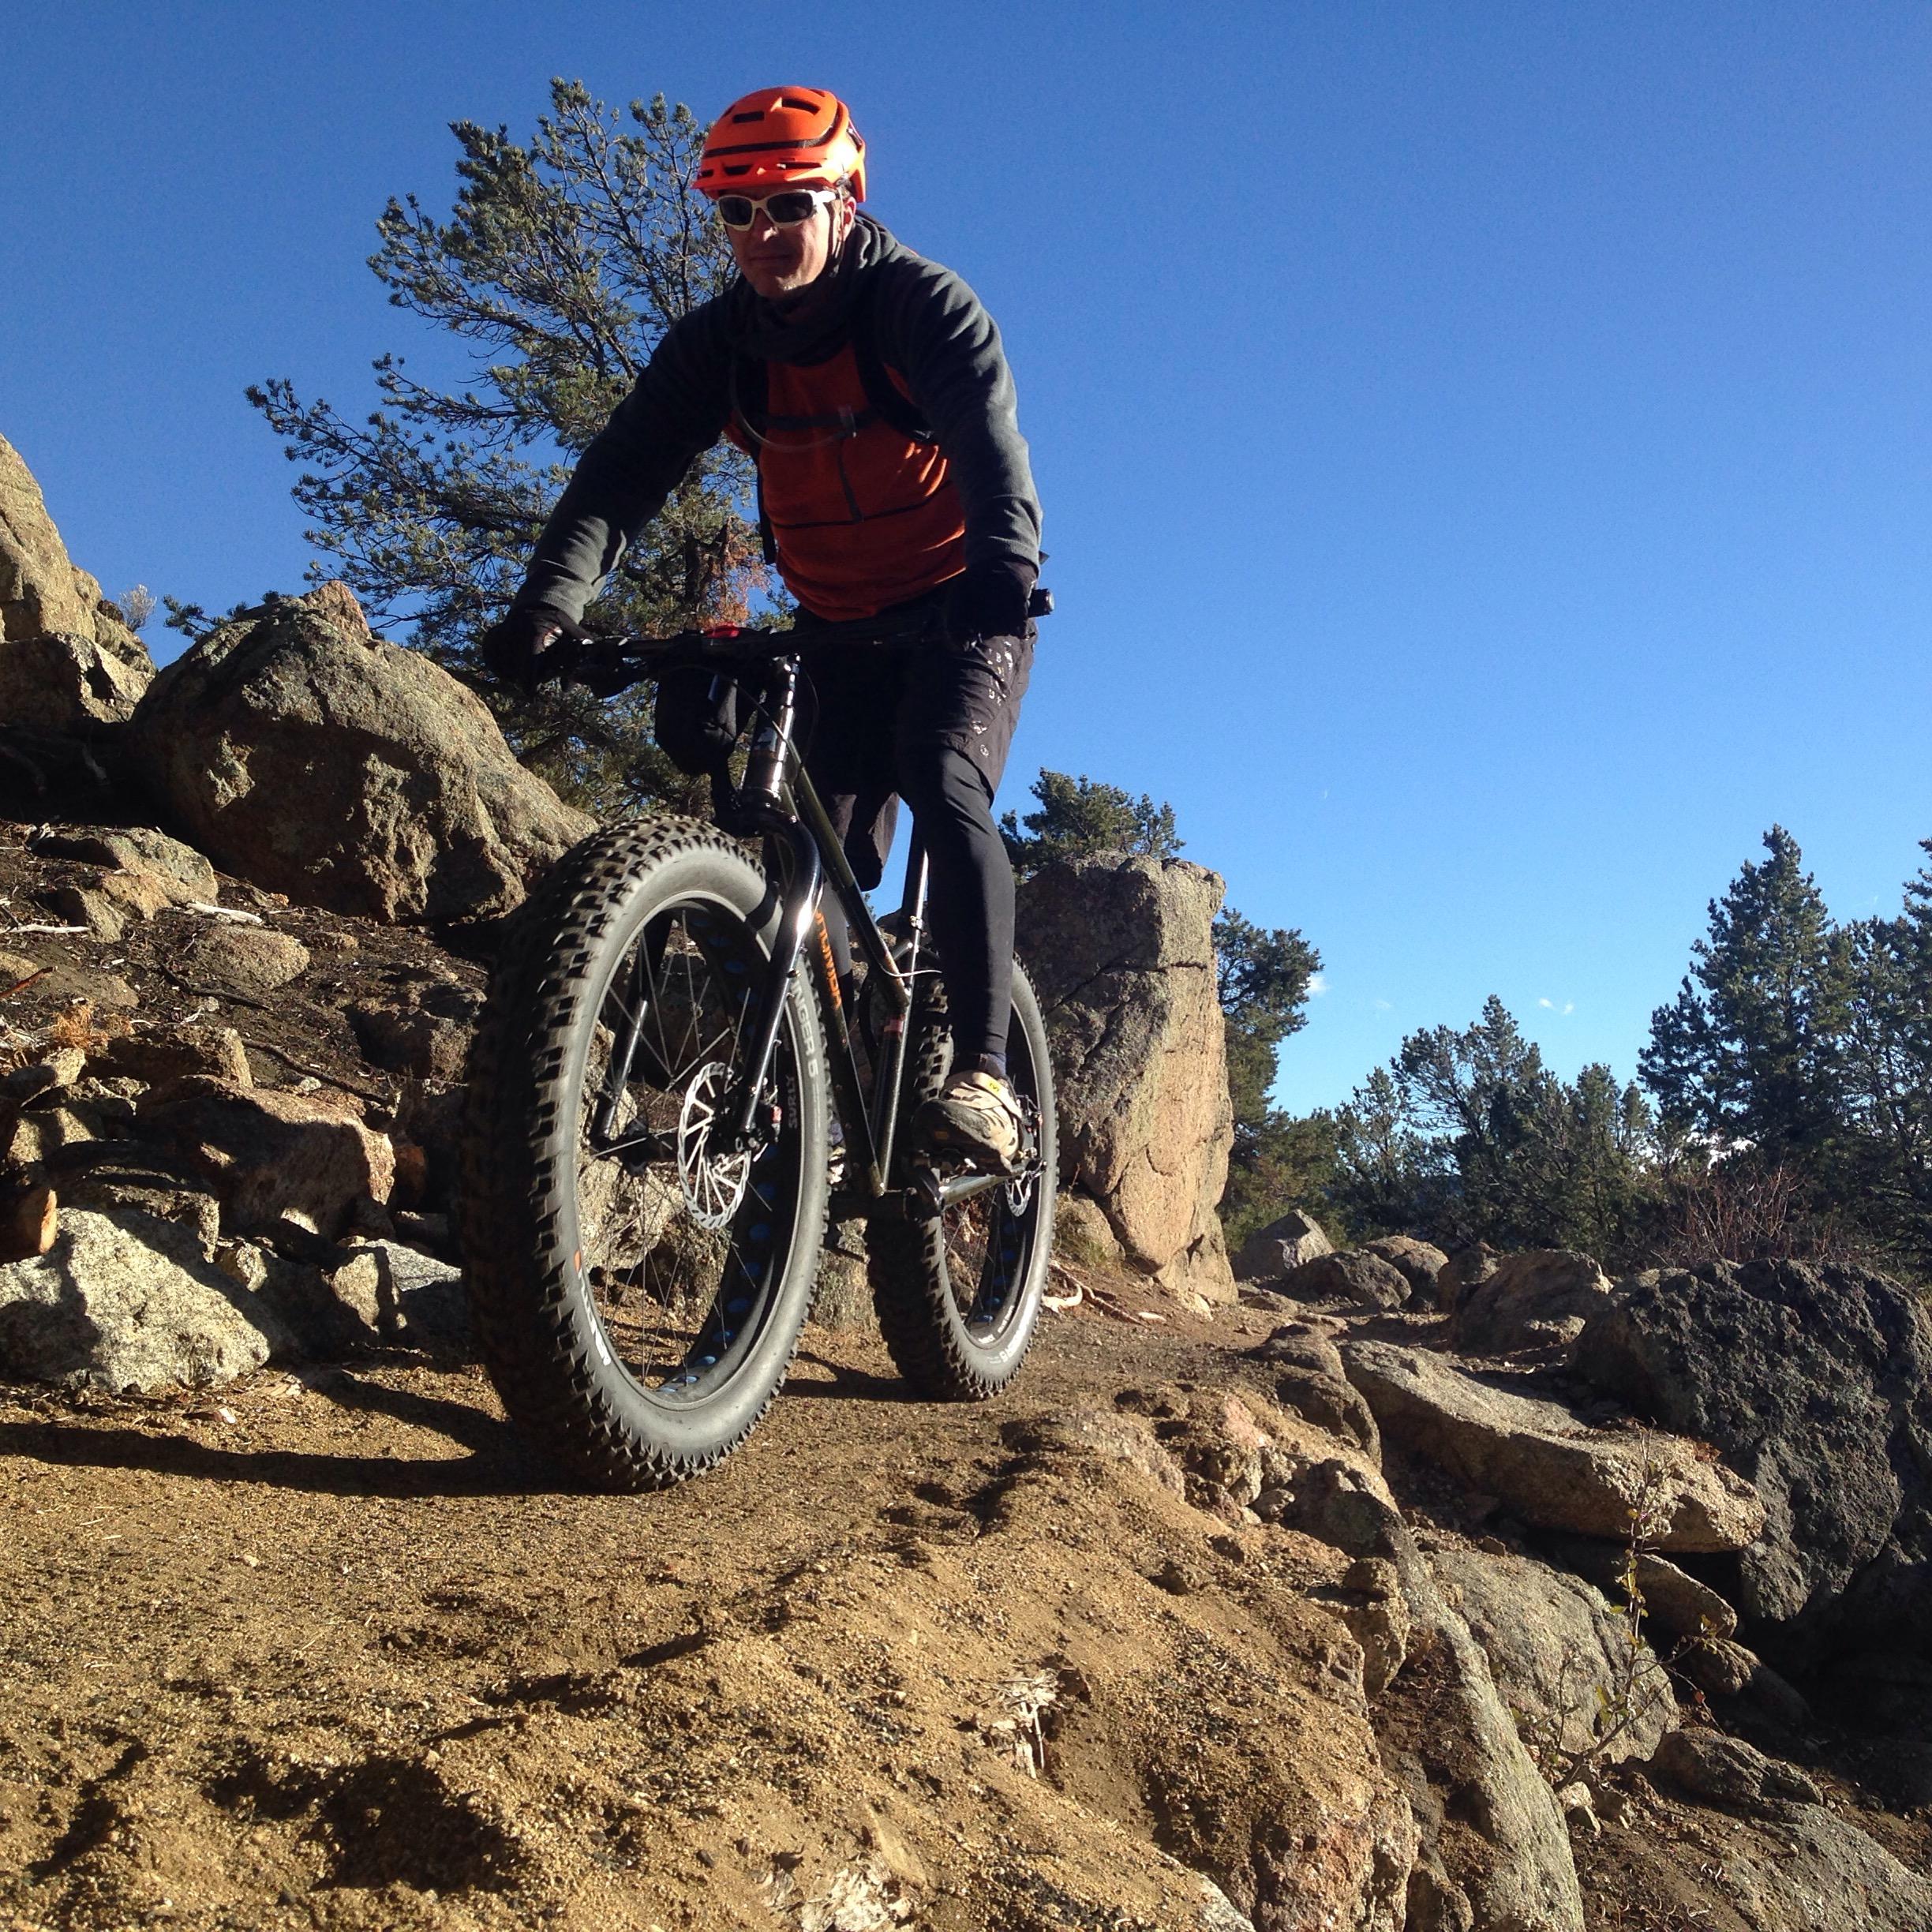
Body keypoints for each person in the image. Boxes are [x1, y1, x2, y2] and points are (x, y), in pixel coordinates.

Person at [481, 85, 1043, 1169]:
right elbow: (625, 471)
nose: (764, 236)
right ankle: (802, 1089)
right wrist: (551, 604)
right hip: (834, 619)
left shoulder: (920, 309)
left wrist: (1003, 567)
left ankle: (981, 1073)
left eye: (788, 205)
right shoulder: (722, 348)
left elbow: (984, 436)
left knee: (939, 776)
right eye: (736, 214)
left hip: (957, 606)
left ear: (845, 197)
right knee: (796, 850)